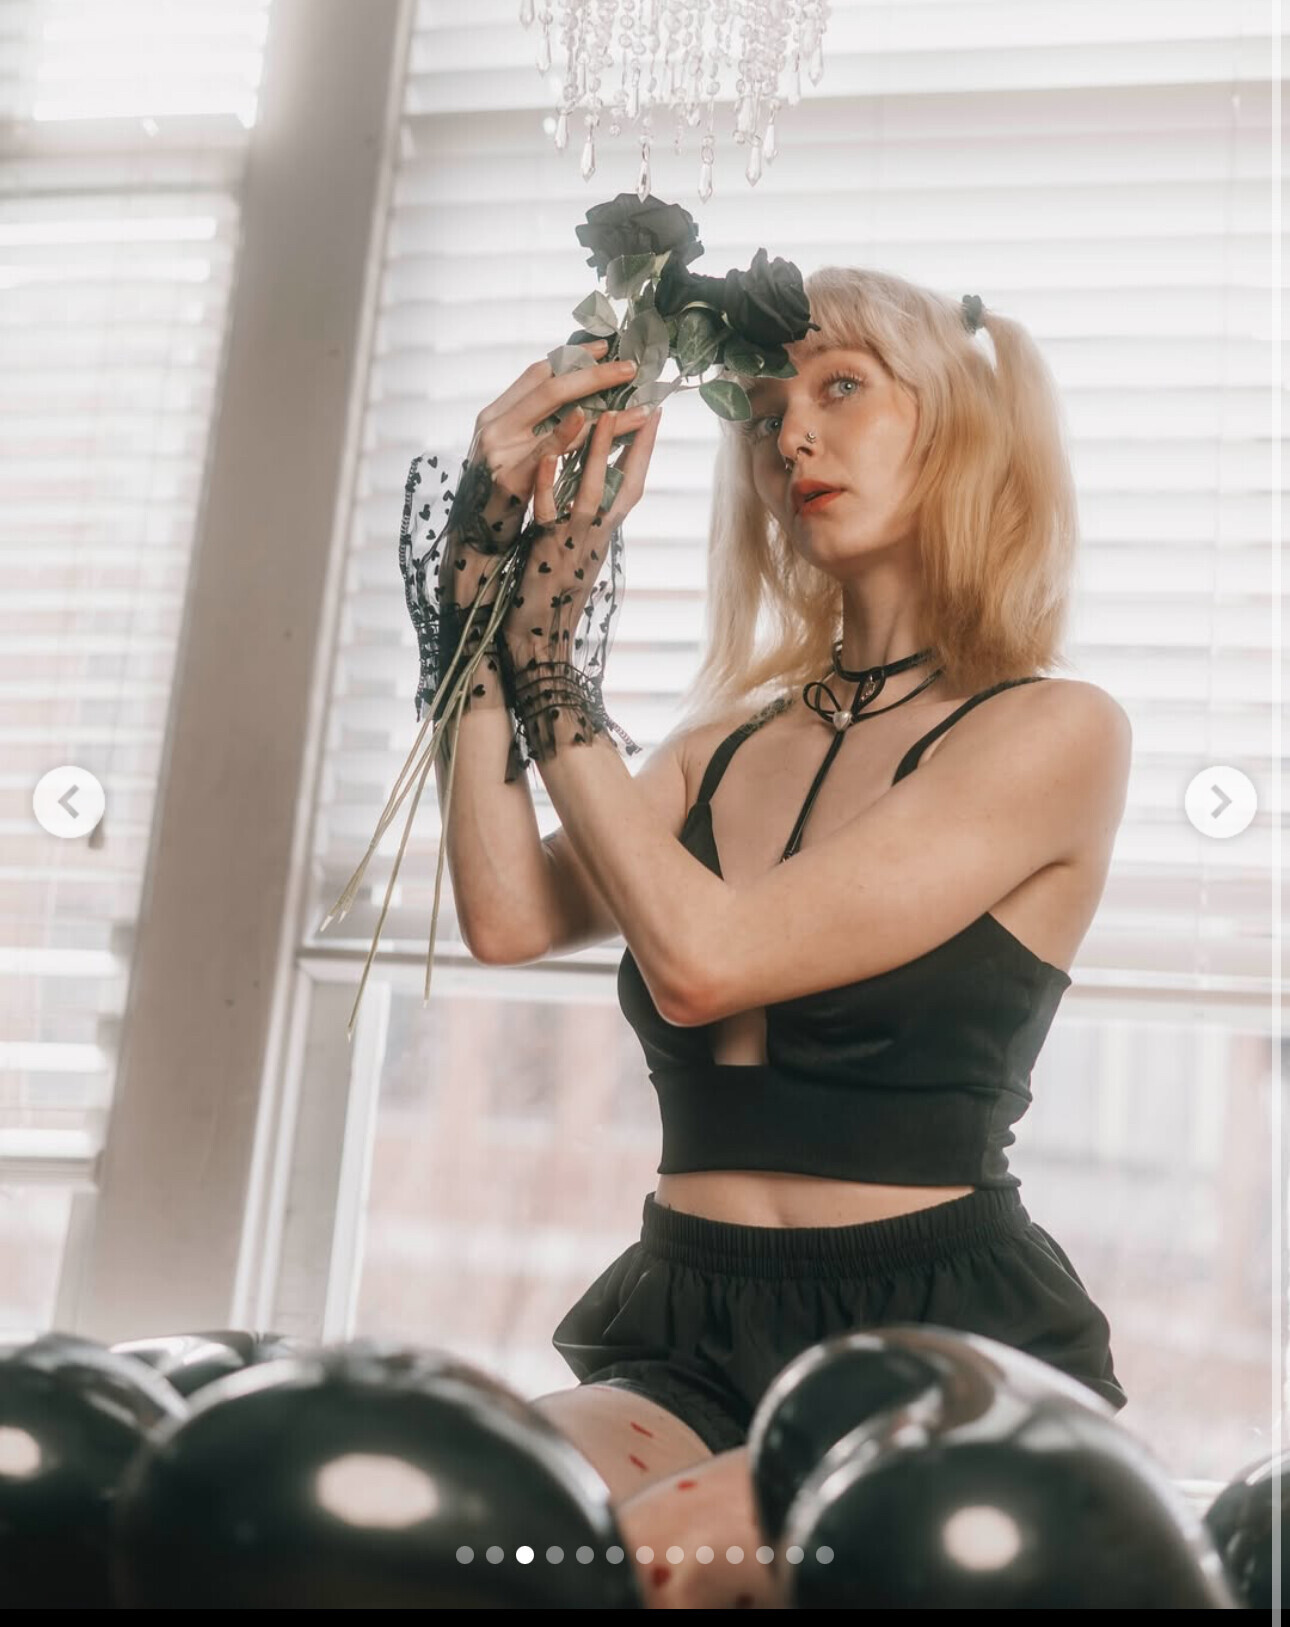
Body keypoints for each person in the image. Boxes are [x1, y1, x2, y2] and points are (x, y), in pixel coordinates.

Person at [418, 267, 1132, 1609]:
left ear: (965, 426)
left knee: (655, 1565)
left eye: (840, 389)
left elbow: (705, 965)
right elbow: (507, 917)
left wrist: (552, 668)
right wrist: (479, 619)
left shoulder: (1052, 731)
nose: (790, 435)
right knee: (460, 1514)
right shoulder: (724, 746)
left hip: (934, 1339)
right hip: (689, 1317)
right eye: (761, 413)